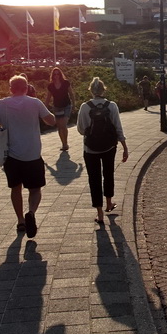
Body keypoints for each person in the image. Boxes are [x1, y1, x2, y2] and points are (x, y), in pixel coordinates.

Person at [0, 74, 56, 238]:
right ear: (26, 88)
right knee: (35, 189)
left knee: (15, 188)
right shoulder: (35, 103)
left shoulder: (1, 104)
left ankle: (20, 221)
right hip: (33, 153)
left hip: (11, 155)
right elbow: (51, 121)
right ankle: (31, 212)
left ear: (11, 89)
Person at [76, 77, 129, 224]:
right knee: (108, 174)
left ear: (91, 90)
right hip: (109, 147)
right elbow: (118, 128)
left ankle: (99, 213)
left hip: (90, 148)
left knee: (94, 179)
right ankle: (109, 203)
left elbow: (80, 129)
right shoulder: (111, 106)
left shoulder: (85, 107)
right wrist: (124, 147)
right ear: (103, 89)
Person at [46, 67, 74, 151]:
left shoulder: (66, 83)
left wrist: (74, 104)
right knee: (59, 127)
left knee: (63, 125)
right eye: (55, 74)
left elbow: (71, 94)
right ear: (53, 75)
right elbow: (48, 98)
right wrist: (45, 108)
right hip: (57, 107)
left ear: (60, 74)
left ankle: (66, 143)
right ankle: (63, 144)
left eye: (58, 74)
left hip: (66, 105)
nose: (56, 75)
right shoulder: (50, 86)